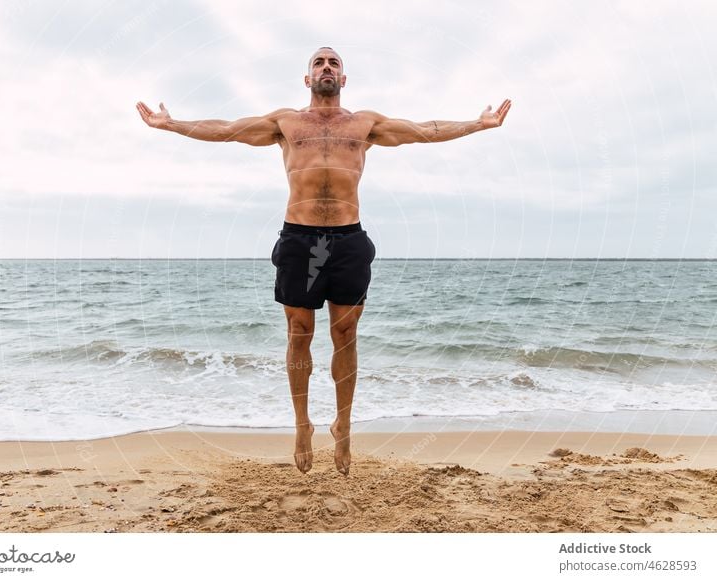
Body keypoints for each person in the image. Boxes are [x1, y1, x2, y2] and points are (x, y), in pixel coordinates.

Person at [136, 47, 511, 476]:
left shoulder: (364, 123)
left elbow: (425, 130)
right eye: (319, 63)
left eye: (334, 63)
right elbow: (226, 129)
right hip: (300, 237)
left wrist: (477, 125)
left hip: (348, 240)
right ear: (308, 78)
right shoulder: (286, 122)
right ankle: (302, 425)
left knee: (346, 334)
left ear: (344, 79)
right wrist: (172, 125)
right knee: (298, 333)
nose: (327, 67)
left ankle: (343, 425)